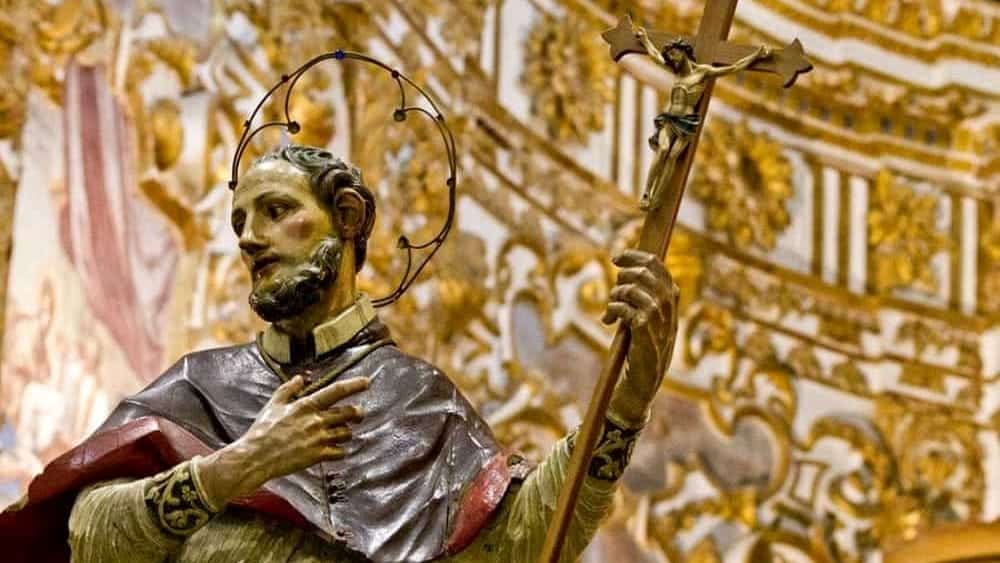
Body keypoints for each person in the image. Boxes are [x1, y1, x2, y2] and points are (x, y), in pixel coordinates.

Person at [0, 144, 679, 562]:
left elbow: (522, 537)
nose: (250, 237)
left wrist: (625, 405)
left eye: (275, 211)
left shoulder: (418, 398)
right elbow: (90, 536)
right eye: (240, 221)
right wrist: (236, 468)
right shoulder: (201, 383)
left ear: (347, 218)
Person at [623, 24, 772, 210]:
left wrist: (756, 55)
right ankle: (646, 193)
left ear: (683, 52)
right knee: (662, 149)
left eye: (674, 55)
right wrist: (645, 40)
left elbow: (734, 67)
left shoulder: (703, 72)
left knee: (673, 156)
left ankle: (658, 198)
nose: (672, 59)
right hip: (670, 118)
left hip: (686, 122)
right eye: (670, 57)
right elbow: (655, 56)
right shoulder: (676, 71)